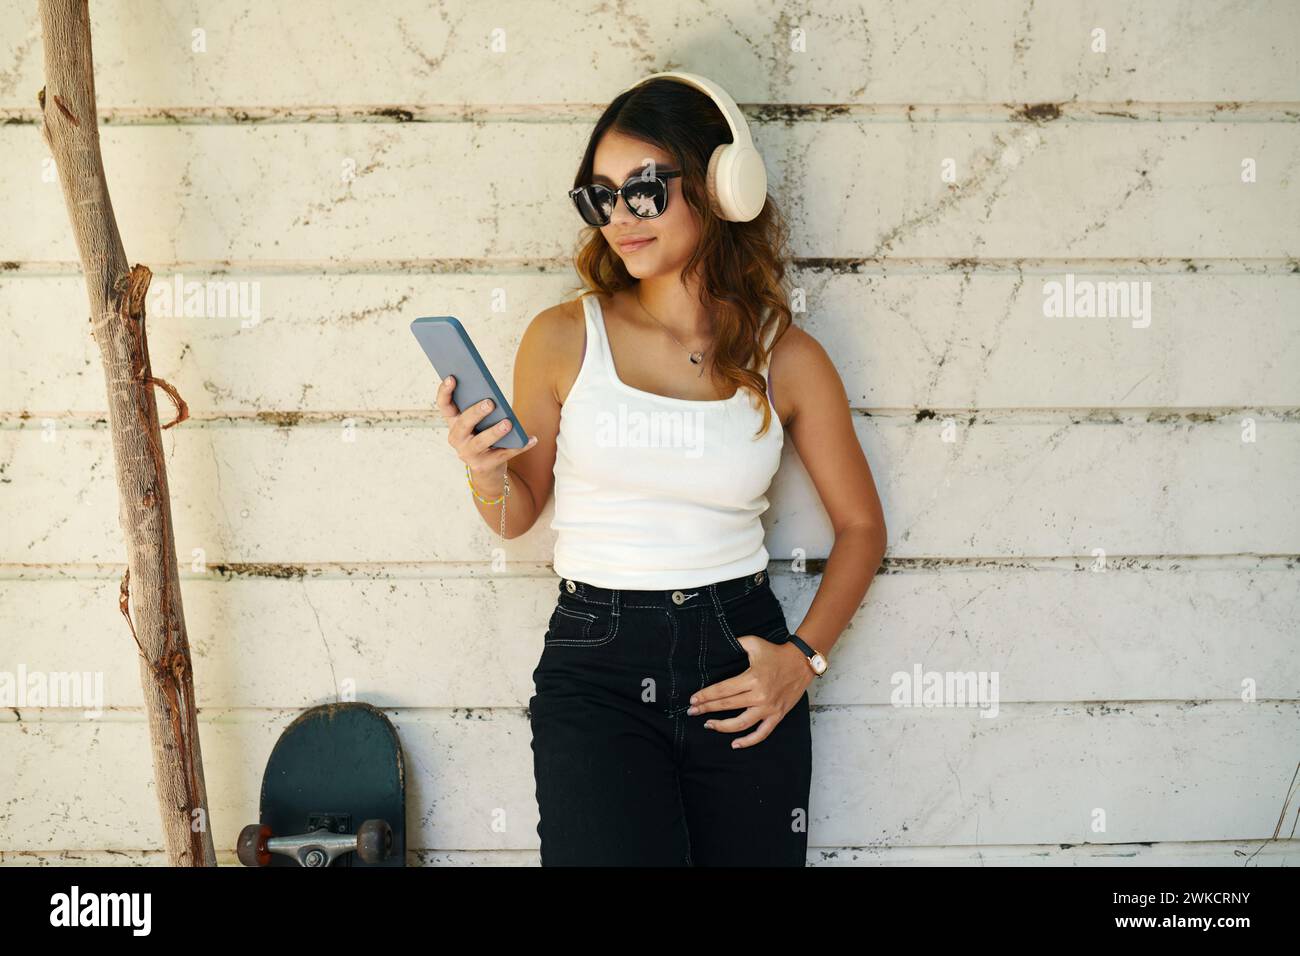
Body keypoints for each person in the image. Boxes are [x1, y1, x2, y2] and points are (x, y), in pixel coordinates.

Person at [437, 72, 887, 866]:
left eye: (643, 191)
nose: (619, 218)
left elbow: (861, 528)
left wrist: (802, 661)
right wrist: (483, 471)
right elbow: (516, 513)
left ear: (720, 185)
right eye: (598, 196)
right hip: (596, 664)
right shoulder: (562, 336)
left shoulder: (789, 357)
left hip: (738, 654)